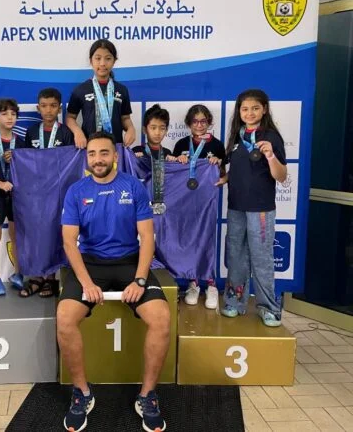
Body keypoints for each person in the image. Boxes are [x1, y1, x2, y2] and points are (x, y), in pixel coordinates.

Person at [57, 132, 170, 432]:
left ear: (116, 156)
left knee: (161, 317)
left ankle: (147, 396)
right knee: (65, 318)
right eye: (92, 154)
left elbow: (147, 237)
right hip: (91, 265)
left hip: (129, 263)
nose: (98, 159)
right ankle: (82, 393)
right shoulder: (76, 191)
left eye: (104, 153)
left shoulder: (133, 187)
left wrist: (140, 279)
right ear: (87, 158)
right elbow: (69, 243)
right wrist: (86, 283)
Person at [218, 89, 287, 327]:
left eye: (255, 108)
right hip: (236, 206)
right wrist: (224, 178)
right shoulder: (236, 137)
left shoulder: (271, 137)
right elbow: (239, 169)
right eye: (245, 109)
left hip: (261, 209)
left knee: (261, 257)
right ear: (239, 111)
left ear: (264, 109)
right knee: (236, 255)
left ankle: (269, 308)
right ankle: (234, 301)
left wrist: (270, 156)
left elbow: (281, 176)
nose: (250, 113)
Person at [20, 87, 74, 298]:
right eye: (44, 106)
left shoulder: (66, 133)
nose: (48, 110)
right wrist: (14, 158)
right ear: (38, 108)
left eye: (53, 106)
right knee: (35, 232)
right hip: (35, 192)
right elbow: (26, 161)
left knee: (52, 232)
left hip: (57, 192)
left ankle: (50, 277)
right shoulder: (32, 132)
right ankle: (36, 275)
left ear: (59, 108)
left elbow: (71, 162)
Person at [173, 104, 226, 309]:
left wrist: (217, 162)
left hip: (207, 200)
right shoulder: (181, 144)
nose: (199, 125)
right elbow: (175, 173)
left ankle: (211, 284)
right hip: (186, 201)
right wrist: (179, 160)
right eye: (195, 121)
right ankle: (193, 283)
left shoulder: (217, 145)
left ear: (209, 122)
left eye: (203, 121)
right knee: (190, 239)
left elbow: (223, 173)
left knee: (207, 239)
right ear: (189, 123)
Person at [0, 98, 26, 296]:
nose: (10, 117)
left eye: (13, 114)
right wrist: (0, 183)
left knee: (16, 235)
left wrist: (16, 161)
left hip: (17, 194)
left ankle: (18, 274)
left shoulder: (21, 142)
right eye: (4, 114)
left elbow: (29, 170)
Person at [66, 39, 136, 149]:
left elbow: (125, 118)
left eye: (108, 58)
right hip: (90, 148)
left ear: (114, 61)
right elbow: (70, 117)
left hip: (115, 148)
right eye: (98, 58)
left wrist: (131, 129)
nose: (102, 63)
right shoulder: (80, 90)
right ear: (91, 61)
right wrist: (77, 132)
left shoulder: (122, 90)